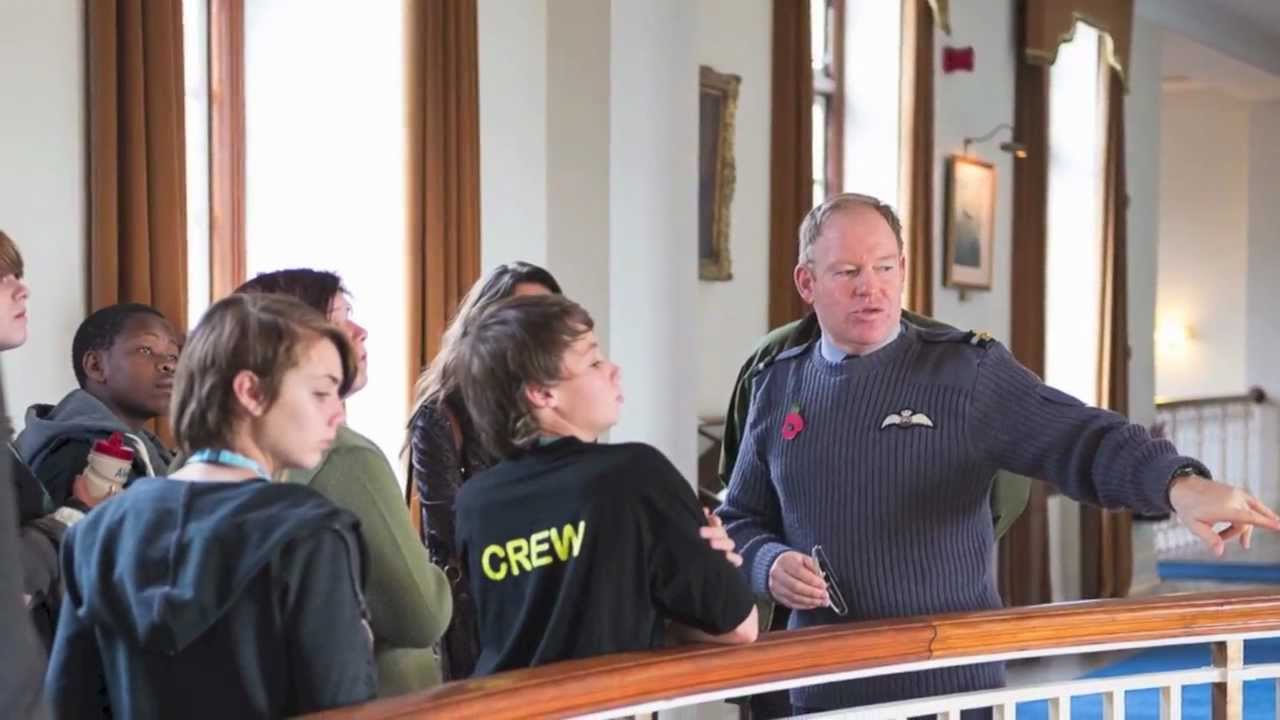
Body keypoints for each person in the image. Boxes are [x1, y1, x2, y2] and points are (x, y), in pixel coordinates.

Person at [717, 192, 1280, 715]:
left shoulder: (966, 372)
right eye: (848, 272)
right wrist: (768, 565)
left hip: (947, 686)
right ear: (806, 282)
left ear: (904, 270)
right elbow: (739, 520)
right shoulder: (776, 384)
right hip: (821, 687)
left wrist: (1178, 482)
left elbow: (1082, 437)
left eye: (886, 267)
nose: (872, 287)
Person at [45, 293, 376, 718]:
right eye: (321, 392)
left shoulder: (95, 531)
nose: (336, 414)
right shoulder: (310, 535)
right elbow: (343, 709)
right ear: (251, 392)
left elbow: (68, 706)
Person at [453, 294, 758, 675]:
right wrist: (660, 607)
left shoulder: (474, 503)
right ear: (542, 393)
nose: (614, 369)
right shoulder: (634, 476)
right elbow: (739, 627)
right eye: (594, 361)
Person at [235, 269, 452, 695]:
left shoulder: (190, 464)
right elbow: (420, 614)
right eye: (339, 320)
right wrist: (441, 576)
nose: (360, 331)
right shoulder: (345, 457)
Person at [407, 261, 562, 680]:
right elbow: (453, 533)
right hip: (482, 624)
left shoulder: (559, 404)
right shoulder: (441, 414)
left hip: (557, 612)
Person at [15, 303, 178, 508]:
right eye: (145, 350)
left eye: (173, 355)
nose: (169, 365)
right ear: (96, 366)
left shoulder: (147, 447)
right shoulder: (85, 456)